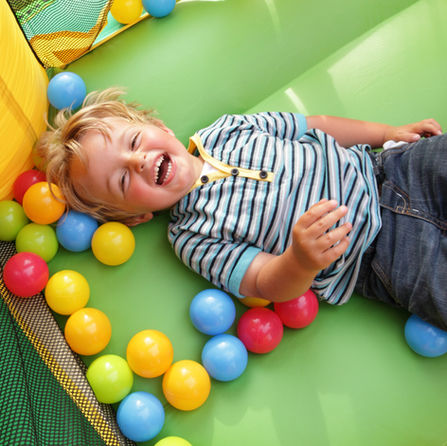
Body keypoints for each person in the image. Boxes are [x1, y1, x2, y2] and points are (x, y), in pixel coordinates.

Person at [36, 88, 447, 329]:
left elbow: (316, 125)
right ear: (134, 217)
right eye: (123, 181)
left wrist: (387, 133)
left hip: (390, 169)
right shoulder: (192, 238)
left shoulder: (228, 128)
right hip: (379, 257)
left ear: (159, 129)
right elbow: (265, 283)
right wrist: (300, 261)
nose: (138, 161)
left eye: (134, 142)